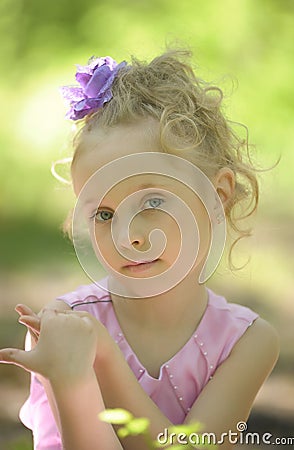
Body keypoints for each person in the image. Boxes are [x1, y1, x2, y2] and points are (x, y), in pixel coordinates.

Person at [0, 50, 279, 450]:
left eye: (152, 202)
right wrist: (69, 375)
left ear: (216, 195)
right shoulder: (65, 325)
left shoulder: (247, 342)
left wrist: (102, 361)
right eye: (104, 213)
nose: (127, 236)